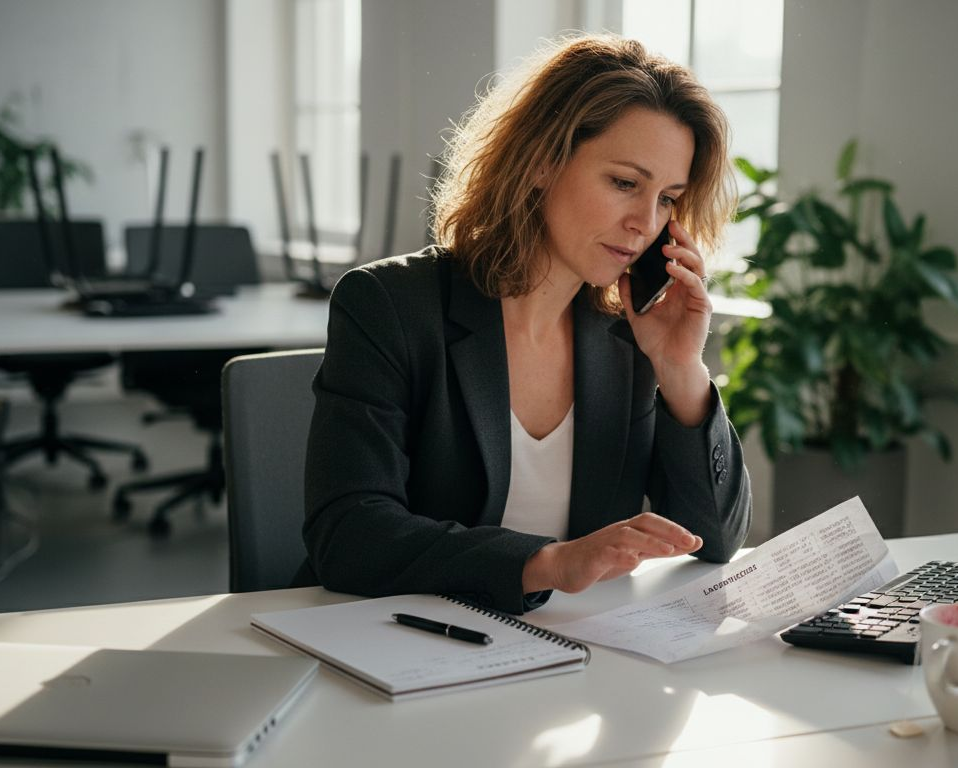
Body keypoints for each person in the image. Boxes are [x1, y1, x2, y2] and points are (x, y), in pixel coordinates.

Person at [303, 34, 751, 614]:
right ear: (542, 160)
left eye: (668, 198)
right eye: (624, 183)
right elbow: (348, 533)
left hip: (568, 648)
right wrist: (547, 564)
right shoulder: (390, 304)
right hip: (396, 635)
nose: (645, 222)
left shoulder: (629, 332)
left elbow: (714, 539)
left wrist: (680, 368)